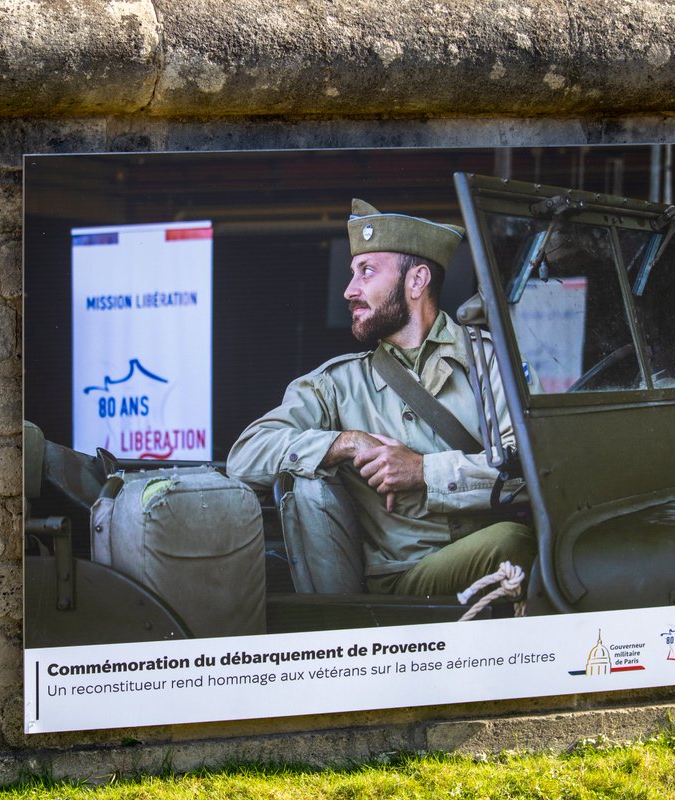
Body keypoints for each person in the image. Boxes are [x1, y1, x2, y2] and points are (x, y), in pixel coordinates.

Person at [226, 199, 535, 600]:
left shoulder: (490, 361)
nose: (349, 290)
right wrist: (345, 442)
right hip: (406, 578)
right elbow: (245, 456)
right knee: (511, 542)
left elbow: (534, 469)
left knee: (521, 541)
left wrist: (421, 471)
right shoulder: (337, 385)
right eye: (353, 273)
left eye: (367, 271)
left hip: (491, 558)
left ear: (417, 280)